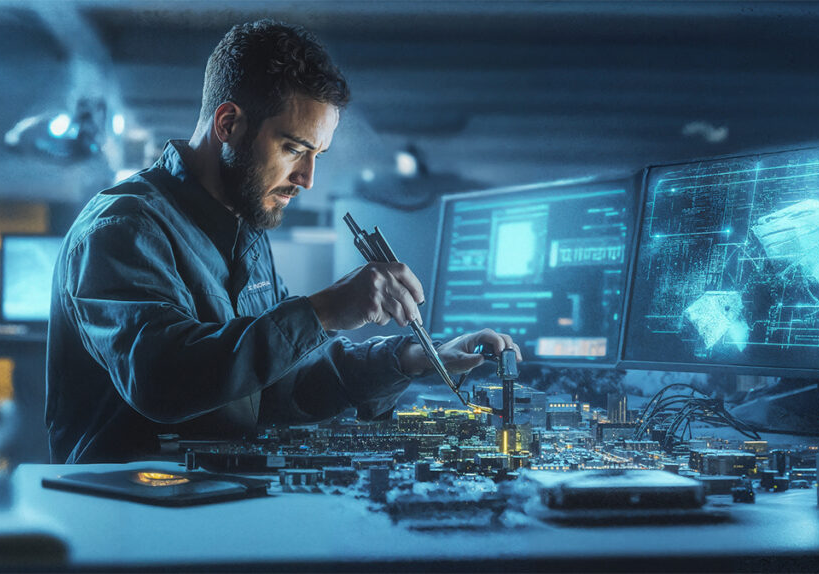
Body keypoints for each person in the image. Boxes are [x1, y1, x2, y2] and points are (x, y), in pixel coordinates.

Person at [46, 20, 520, 464]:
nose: (308, 178)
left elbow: (282, 384)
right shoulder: (122, 228)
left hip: (213, 506)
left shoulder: (246, 234)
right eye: (294, 148)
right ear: (228, 123)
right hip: (126, 526)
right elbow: (162, 379)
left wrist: (411, 358)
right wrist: (322, 311)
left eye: (317, 154)